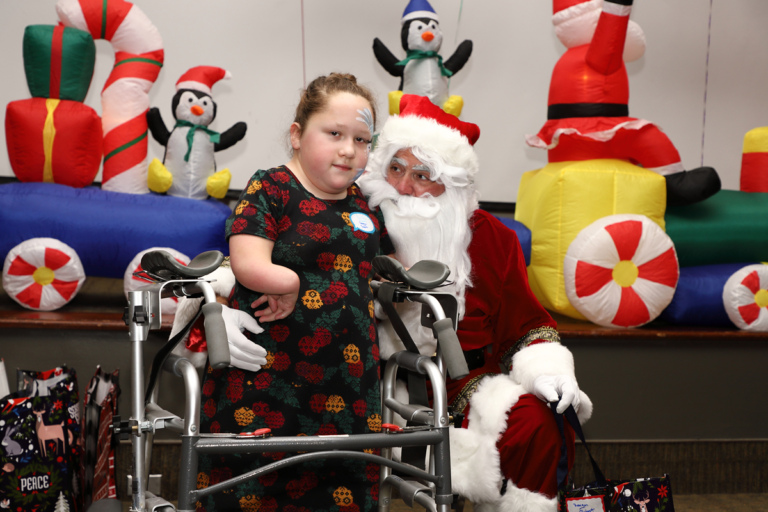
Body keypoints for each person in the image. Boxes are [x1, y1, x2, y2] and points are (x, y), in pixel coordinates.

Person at [358, 94, 593, 512]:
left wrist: (547, 372)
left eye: (422, 174)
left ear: (452, 182)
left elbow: (526, 327)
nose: (403, 187)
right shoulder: (354, 220)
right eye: (394, 168)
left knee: (537, 421)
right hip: (367, 380)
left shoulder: (491, 238)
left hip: (461, 384)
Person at [193, 73, 395, 512]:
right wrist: (288, 283)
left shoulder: (363, 203)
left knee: (341, 491)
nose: (349, 149)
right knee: (255, 494)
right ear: (298, 136)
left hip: (349, 387)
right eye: (335, 133)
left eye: (362, 139)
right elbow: (247, 262)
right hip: (267, 386)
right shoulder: (271, 188)